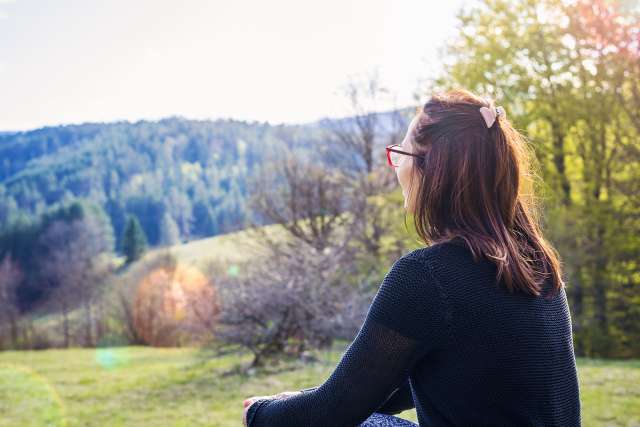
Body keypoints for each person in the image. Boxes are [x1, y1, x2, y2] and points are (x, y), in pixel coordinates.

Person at [242, 88, 582, 426]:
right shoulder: (538, 267)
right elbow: (410, 380)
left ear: (431, 171)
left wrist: (258, 414)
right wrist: (306, 400)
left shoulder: (428, 277)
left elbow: (331, 413)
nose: (397, 168)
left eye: (401, 155)